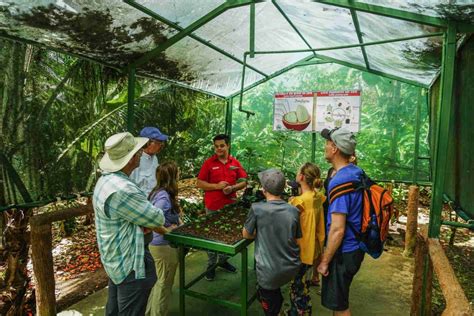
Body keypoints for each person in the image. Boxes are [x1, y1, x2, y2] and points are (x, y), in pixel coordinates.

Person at [93, 132, 166, 315]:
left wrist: (140, 218)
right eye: (138, 151)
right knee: (131, 310)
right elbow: (157, 218)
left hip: (114, 259)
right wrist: (145, 219)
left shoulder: (104, 181)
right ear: (132, 158)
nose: (141, 153)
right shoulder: (123, 190)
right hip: (129, 264)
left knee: (114, 309)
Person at [317, 128, 365, 316]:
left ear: (335, 148)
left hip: (344, 250)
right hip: (356, 245)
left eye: (328, 143)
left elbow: (338, 230)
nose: (326, 146)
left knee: (341, 305)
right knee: (339, 300)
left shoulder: (340, 181)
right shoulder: (356, 172)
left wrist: (325, 261)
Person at [242, 168, 301, 316]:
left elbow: (246, 234)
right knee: (274, 295)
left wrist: (259, 233)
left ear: (263, 190)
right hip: (291, 266)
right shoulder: (293, 210)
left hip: (269, 272)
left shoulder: (257, 208)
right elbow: (296, 237)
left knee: (270, 307)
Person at [196, 134, 247, 281]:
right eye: (216, 146)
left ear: (228, 145)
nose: (219, 149)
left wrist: (233, 188)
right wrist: (216, 186)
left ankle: (223, 261)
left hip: (230, 207)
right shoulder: (209, 163)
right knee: (212, 236)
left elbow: (244, 180)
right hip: (213, 206)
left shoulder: (234, 163)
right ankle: (211, 265)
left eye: (222, 146)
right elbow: (199, 183)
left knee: (227, 235)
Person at [287, 162, 326, 315]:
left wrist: (290, 203)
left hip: (301, 251)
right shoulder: (318, 197)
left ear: (302, 177)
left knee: (297, 287)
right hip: (313, 250)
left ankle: (299, 312)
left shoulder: (299, 202)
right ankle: (297, 310)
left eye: (298, 172)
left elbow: (289, 226)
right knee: (304, 284)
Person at [146, 162, 182, 316]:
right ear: (172, 177)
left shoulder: (159, 192)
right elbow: (152, 218)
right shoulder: (164, 197)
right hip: (163, 246)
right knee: (164, 284)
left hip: (155, 244)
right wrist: (168, 229)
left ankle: (149, 312)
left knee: (159, 281)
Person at [130, 126, 169, 196]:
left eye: (161, 143)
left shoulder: (154, 158)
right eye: (158, 142)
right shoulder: (135, 160)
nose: (160, 145)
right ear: (147, 143)